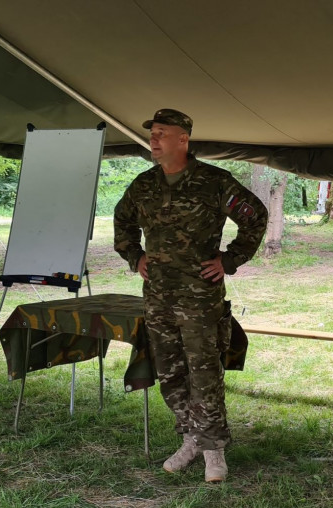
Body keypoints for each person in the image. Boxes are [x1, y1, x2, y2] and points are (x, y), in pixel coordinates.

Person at [114, 109, 267, 483]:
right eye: (152, 134)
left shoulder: (213, 182)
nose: (153, 140)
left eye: (161, 133)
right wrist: (136, 257)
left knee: (204, 373)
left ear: (183, 139)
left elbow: (255, 216)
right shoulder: (144, 185)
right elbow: (122, 222)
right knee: (170, 372)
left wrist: (229, 260)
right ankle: (191, 438)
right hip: (159, 298)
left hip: (199, 299)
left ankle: (214, 450)